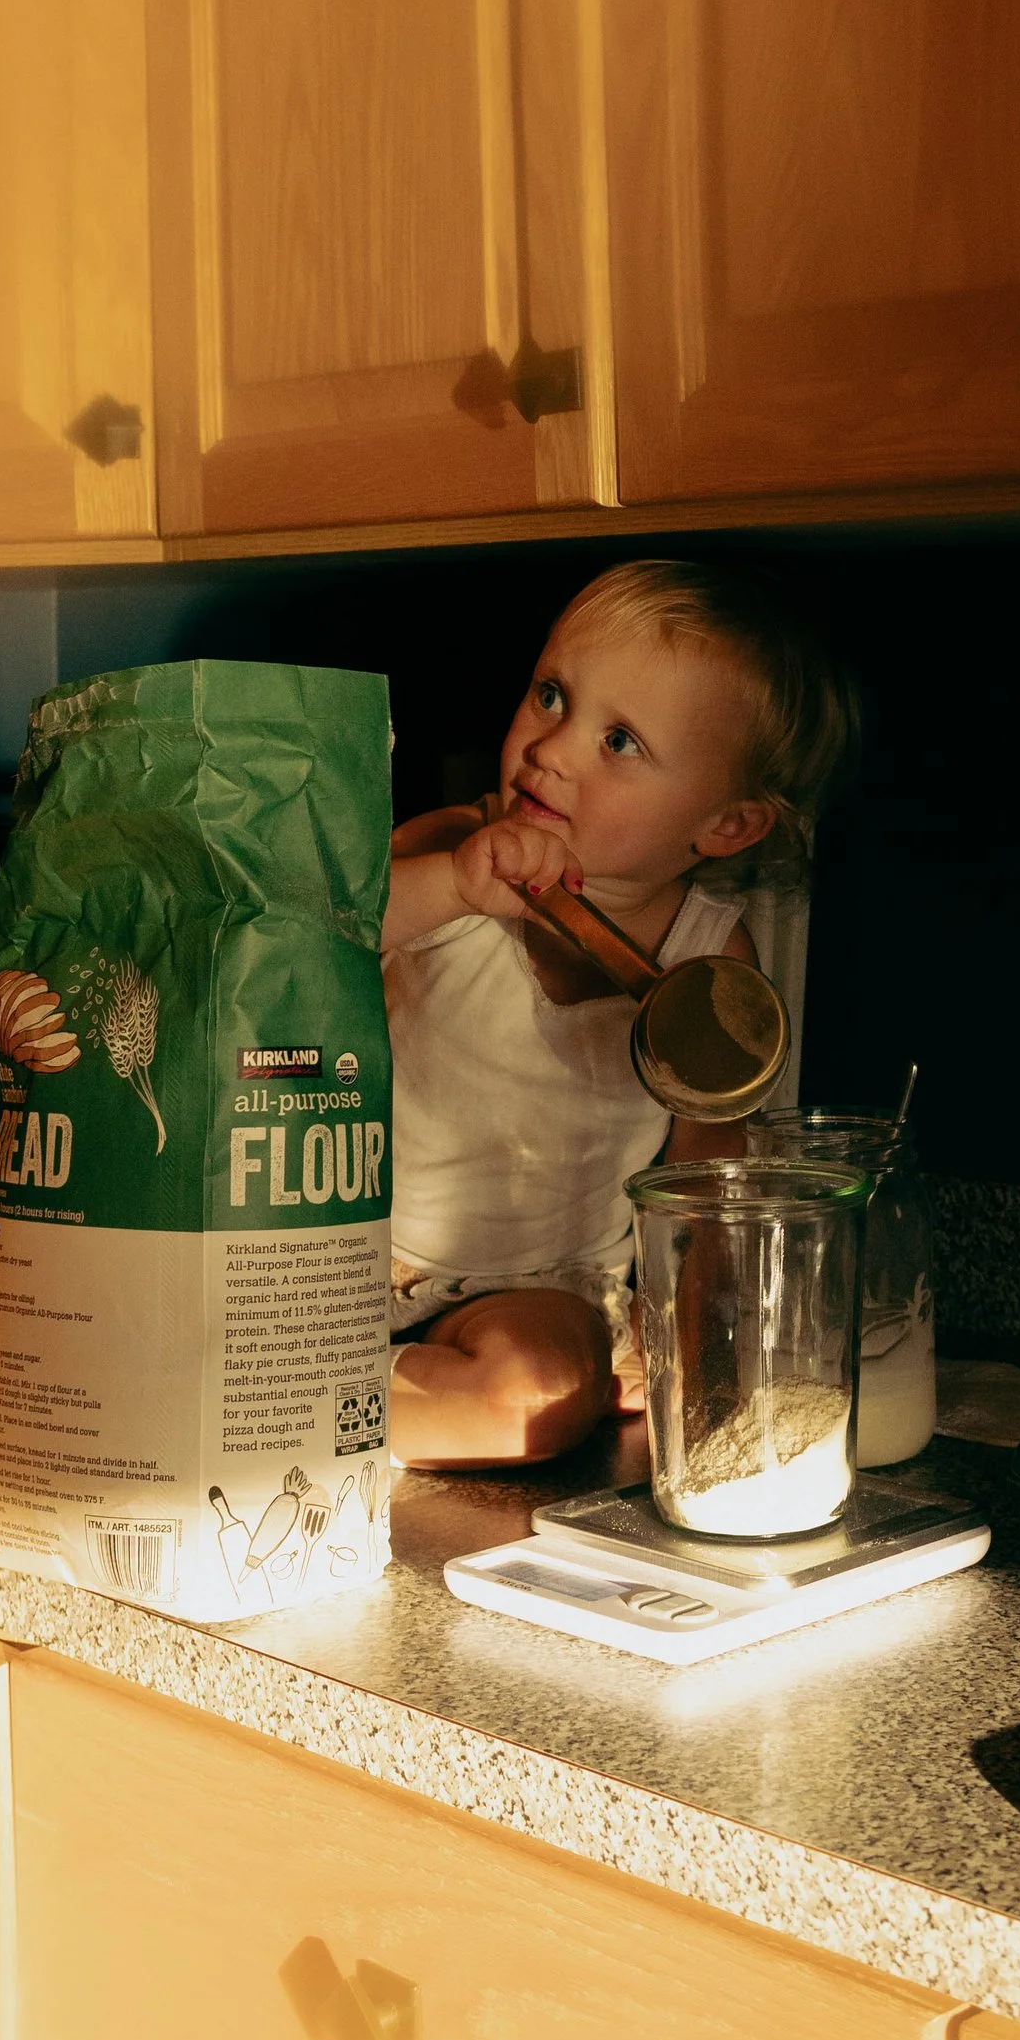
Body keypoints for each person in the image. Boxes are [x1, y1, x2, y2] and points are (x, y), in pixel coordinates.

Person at [380, 559, 856, 1466]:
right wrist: (456, 884)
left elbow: (706, 1176)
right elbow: (309, 948)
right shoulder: (453, 848)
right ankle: (284, 1392)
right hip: (341, 1257)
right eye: (552, 694)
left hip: (534, 1289)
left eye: (621, 742)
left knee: (540, 1401)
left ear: (726, 826)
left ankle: (296, 1413)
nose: (551, 748)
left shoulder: (709, 961)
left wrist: (686, 1345)